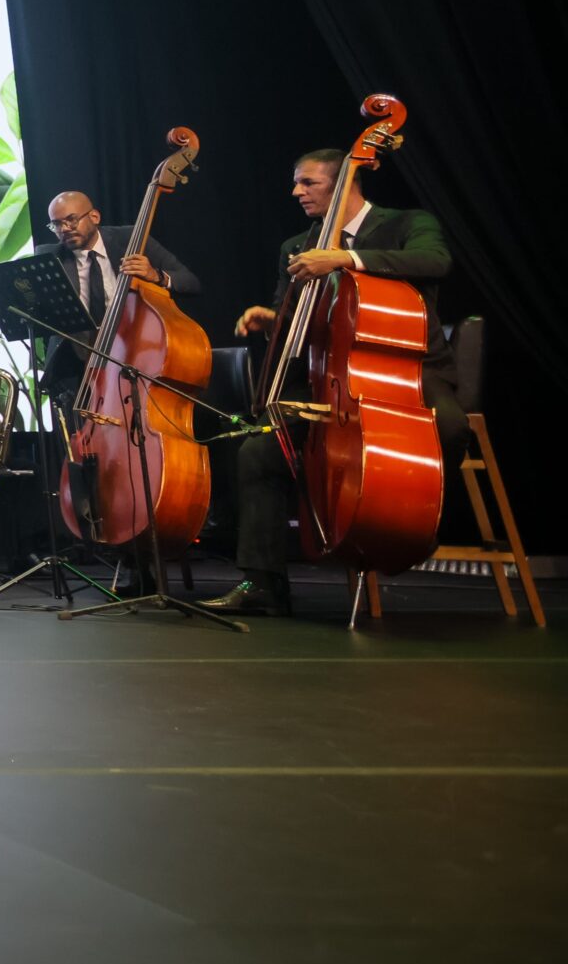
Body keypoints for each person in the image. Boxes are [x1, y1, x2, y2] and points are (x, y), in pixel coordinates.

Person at [205, 148, 467, 617]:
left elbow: (435, 262)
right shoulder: (296, 245)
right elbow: (297, 319)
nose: (297, 192)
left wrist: (345, 258)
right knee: (258, 450)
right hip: (328, 377)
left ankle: (415, 525)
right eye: (297, 182)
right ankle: (263, 582)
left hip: (408, 369)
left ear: (345, 183)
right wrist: (273, 320)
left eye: (309, 182)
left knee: (448, 426)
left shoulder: (407, 223)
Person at [34, 190, 200, 400]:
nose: (65, 229)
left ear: (94, 216)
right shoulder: (49, 256)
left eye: (71, 220)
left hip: (134, 355)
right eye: (56, 224)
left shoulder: (130, 239)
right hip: (78, 368)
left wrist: (156, 275)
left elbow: (190, 282)